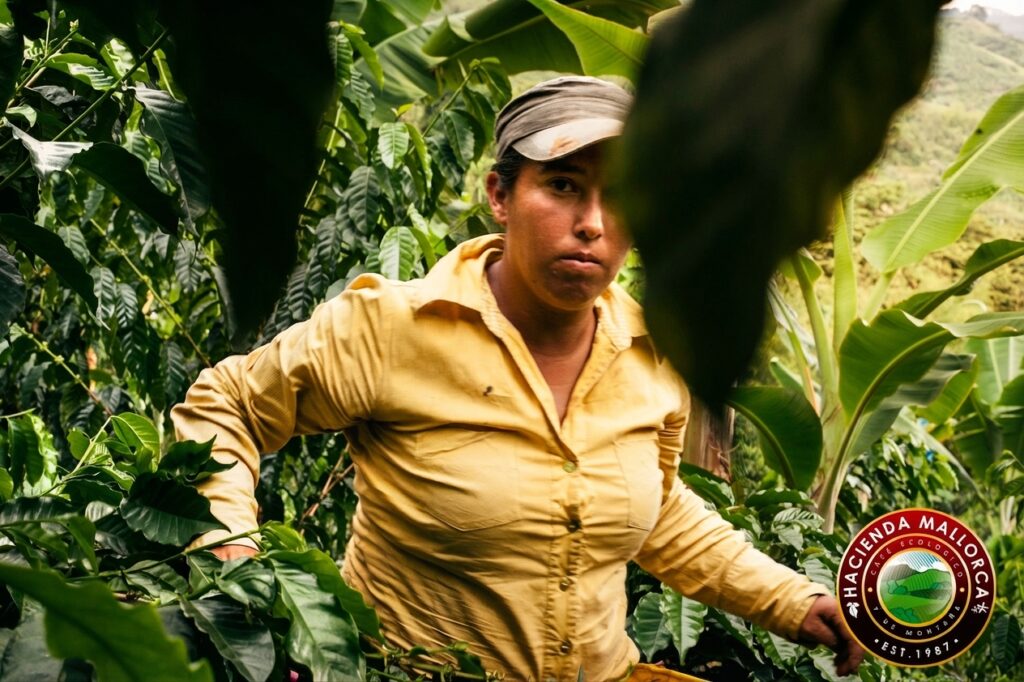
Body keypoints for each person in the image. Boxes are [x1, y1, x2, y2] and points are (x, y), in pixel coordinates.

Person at [172, 76, 864, 681]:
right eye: (563, 186)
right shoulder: (392, 328)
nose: (592, 224)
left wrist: (794, 602)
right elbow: (225, 405)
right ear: (501, 194)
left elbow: (660, 510)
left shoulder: (652, 351)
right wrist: (231, 546)